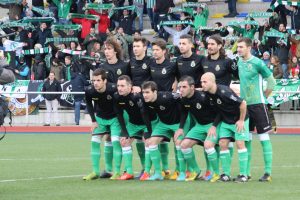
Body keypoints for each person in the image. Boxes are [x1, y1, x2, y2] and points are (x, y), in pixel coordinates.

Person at [237, 37, 276, 182]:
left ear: (249, 48)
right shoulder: (239, 62)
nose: (238, 49)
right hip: (244, 106)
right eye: (238, 47)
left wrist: (263, 97)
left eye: (241, 47)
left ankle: (267, 172)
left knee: (263, 137)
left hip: (259, 105)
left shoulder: (258, 62)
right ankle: (246, 173)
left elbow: (272, 81)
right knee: (246, 138)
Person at [201, 72, 249, 183]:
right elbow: (220, 110)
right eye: (201, 82)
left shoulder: (224, 92)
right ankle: (226, 174)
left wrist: (241, 120)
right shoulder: (209, 94)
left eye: (204, 81)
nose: (202, 84)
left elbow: (243, 104)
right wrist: (214, 126)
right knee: (222, 143)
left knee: (240, 144)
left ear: (213, 82)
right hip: (226, 121)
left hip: (239, 120)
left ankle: (243, 175)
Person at [176, 76, 219, 181]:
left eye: (184, 87)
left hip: (213, 125)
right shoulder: (183, 99)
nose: (181, 89)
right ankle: (196, 170)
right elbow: (184, 112)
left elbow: (219, 111)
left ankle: (216, 174)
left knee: (208, 145)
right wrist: (181, 128)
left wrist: (214, 126)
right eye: (180, 87)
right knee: (184, 145)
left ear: (192, 87)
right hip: (199, 126)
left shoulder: (204, 97)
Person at [114, 75, 157, 180]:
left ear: (130, 87)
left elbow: (144, 113)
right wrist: (124, 131)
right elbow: (119, 114)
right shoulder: (117, 96)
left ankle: (146, 171)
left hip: (148, 121)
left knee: (146, 141)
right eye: (118, 85)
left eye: (123, 86)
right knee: (124, 141)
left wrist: (148, 131)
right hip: (133, 123)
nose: (120, 88)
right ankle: (129, 172)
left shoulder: (137, 96)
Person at [141, 81, 185, 181]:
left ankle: (181, 172)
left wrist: (181, 127)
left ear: (155, 92)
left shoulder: (167, 97)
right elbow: (145, 115)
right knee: (151, 143)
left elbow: (183, 104)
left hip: (177, 123)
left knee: (178, 143)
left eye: (147, 92)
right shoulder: (144, 101)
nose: (145, 95)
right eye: (143, 92)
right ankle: (157, 173)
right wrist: (149, 131)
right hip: (163, 124)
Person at [83, 68, 122, 180]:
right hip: (100, 118)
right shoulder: (89, 90)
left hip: (115, 118)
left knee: (115, 142)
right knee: (94, 142)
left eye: (98, 80)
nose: (95, 83)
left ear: (105, 81)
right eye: (93, 80)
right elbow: (89, 105)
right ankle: (95, 172)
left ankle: (117, 172)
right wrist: (93, 121)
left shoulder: (114, 89)